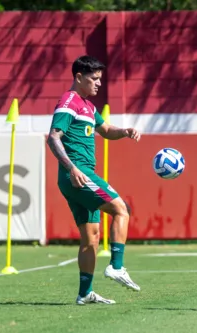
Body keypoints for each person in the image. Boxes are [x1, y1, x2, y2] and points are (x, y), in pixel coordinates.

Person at [47, 55, 142, 305]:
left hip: (75, 177)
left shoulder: (87, 106)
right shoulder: (70, 101)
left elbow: (106, 131)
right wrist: (71, 168)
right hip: (78, 174)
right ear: (79, 77)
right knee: (121, 209)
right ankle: (116, 266)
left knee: (91, 236)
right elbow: (53, 137)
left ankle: (84, 293)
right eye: (94, 79)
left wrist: (126, 131)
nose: (99, 84)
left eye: (100, 79)